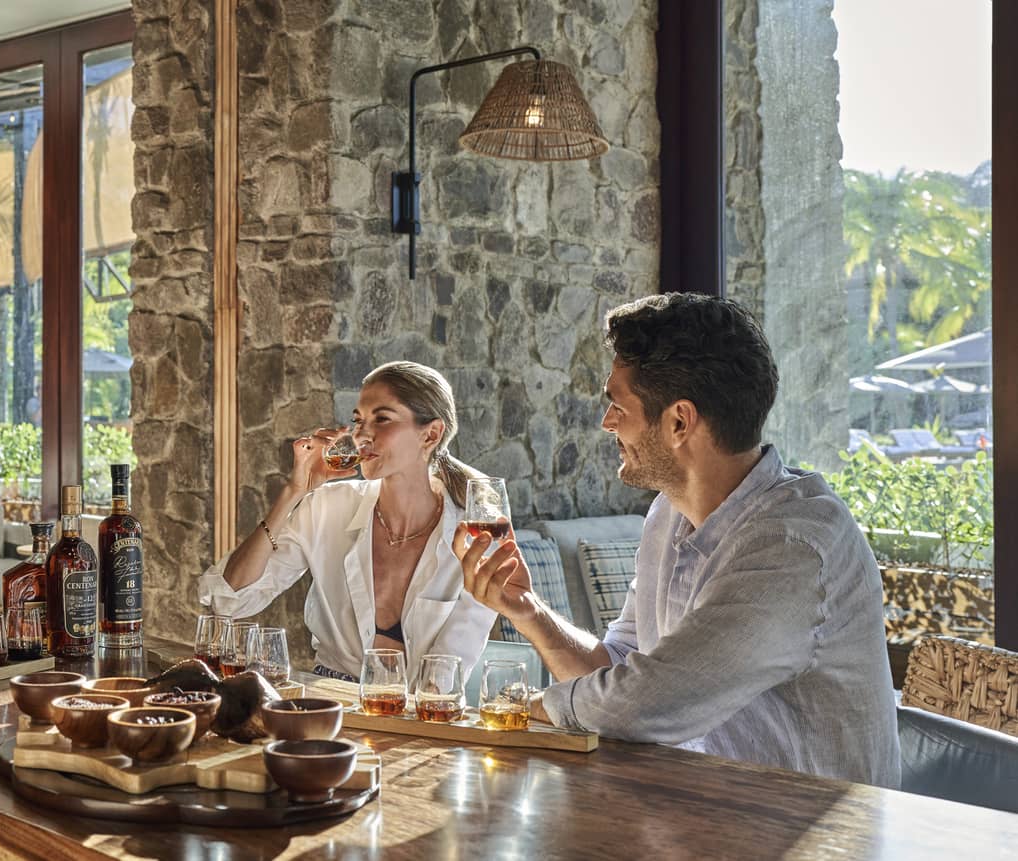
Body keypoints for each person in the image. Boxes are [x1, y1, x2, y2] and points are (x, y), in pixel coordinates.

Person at [455, 293, 899, 787]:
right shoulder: (668, 513)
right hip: (707, 816)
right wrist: (528, 611)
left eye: (617, 406)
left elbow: (650, 702)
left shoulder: (793, 546)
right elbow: (619, 668)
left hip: (815, 839)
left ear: (679, 422)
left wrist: (524, 708)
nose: (607, 423)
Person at [199, 361, 498, 683]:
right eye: (358, 421)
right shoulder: (327, 508)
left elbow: (445, 676)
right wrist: (293, 492)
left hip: (421, 713)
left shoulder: (476, 537)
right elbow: (230, 599)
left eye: (382, 419)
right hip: (331, 708)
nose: (361, 435)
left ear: (431, 434)